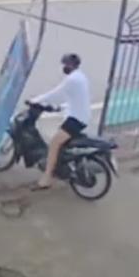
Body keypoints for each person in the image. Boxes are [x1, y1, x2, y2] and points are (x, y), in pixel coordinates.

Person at [30, 53, 91, 190]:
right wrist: (61, 107)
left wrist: (36, 100)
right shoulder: (81, 76)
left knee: (54, 143)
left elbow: (55, 93)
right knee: (60, 140)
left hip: (76, 119)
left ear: (70, 65)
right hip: (80, 115)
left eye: (65, 65)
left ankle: (46, 179)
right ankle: (61, 166)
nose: (64, 67)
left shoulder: (72, 79)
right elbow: (75, 98)